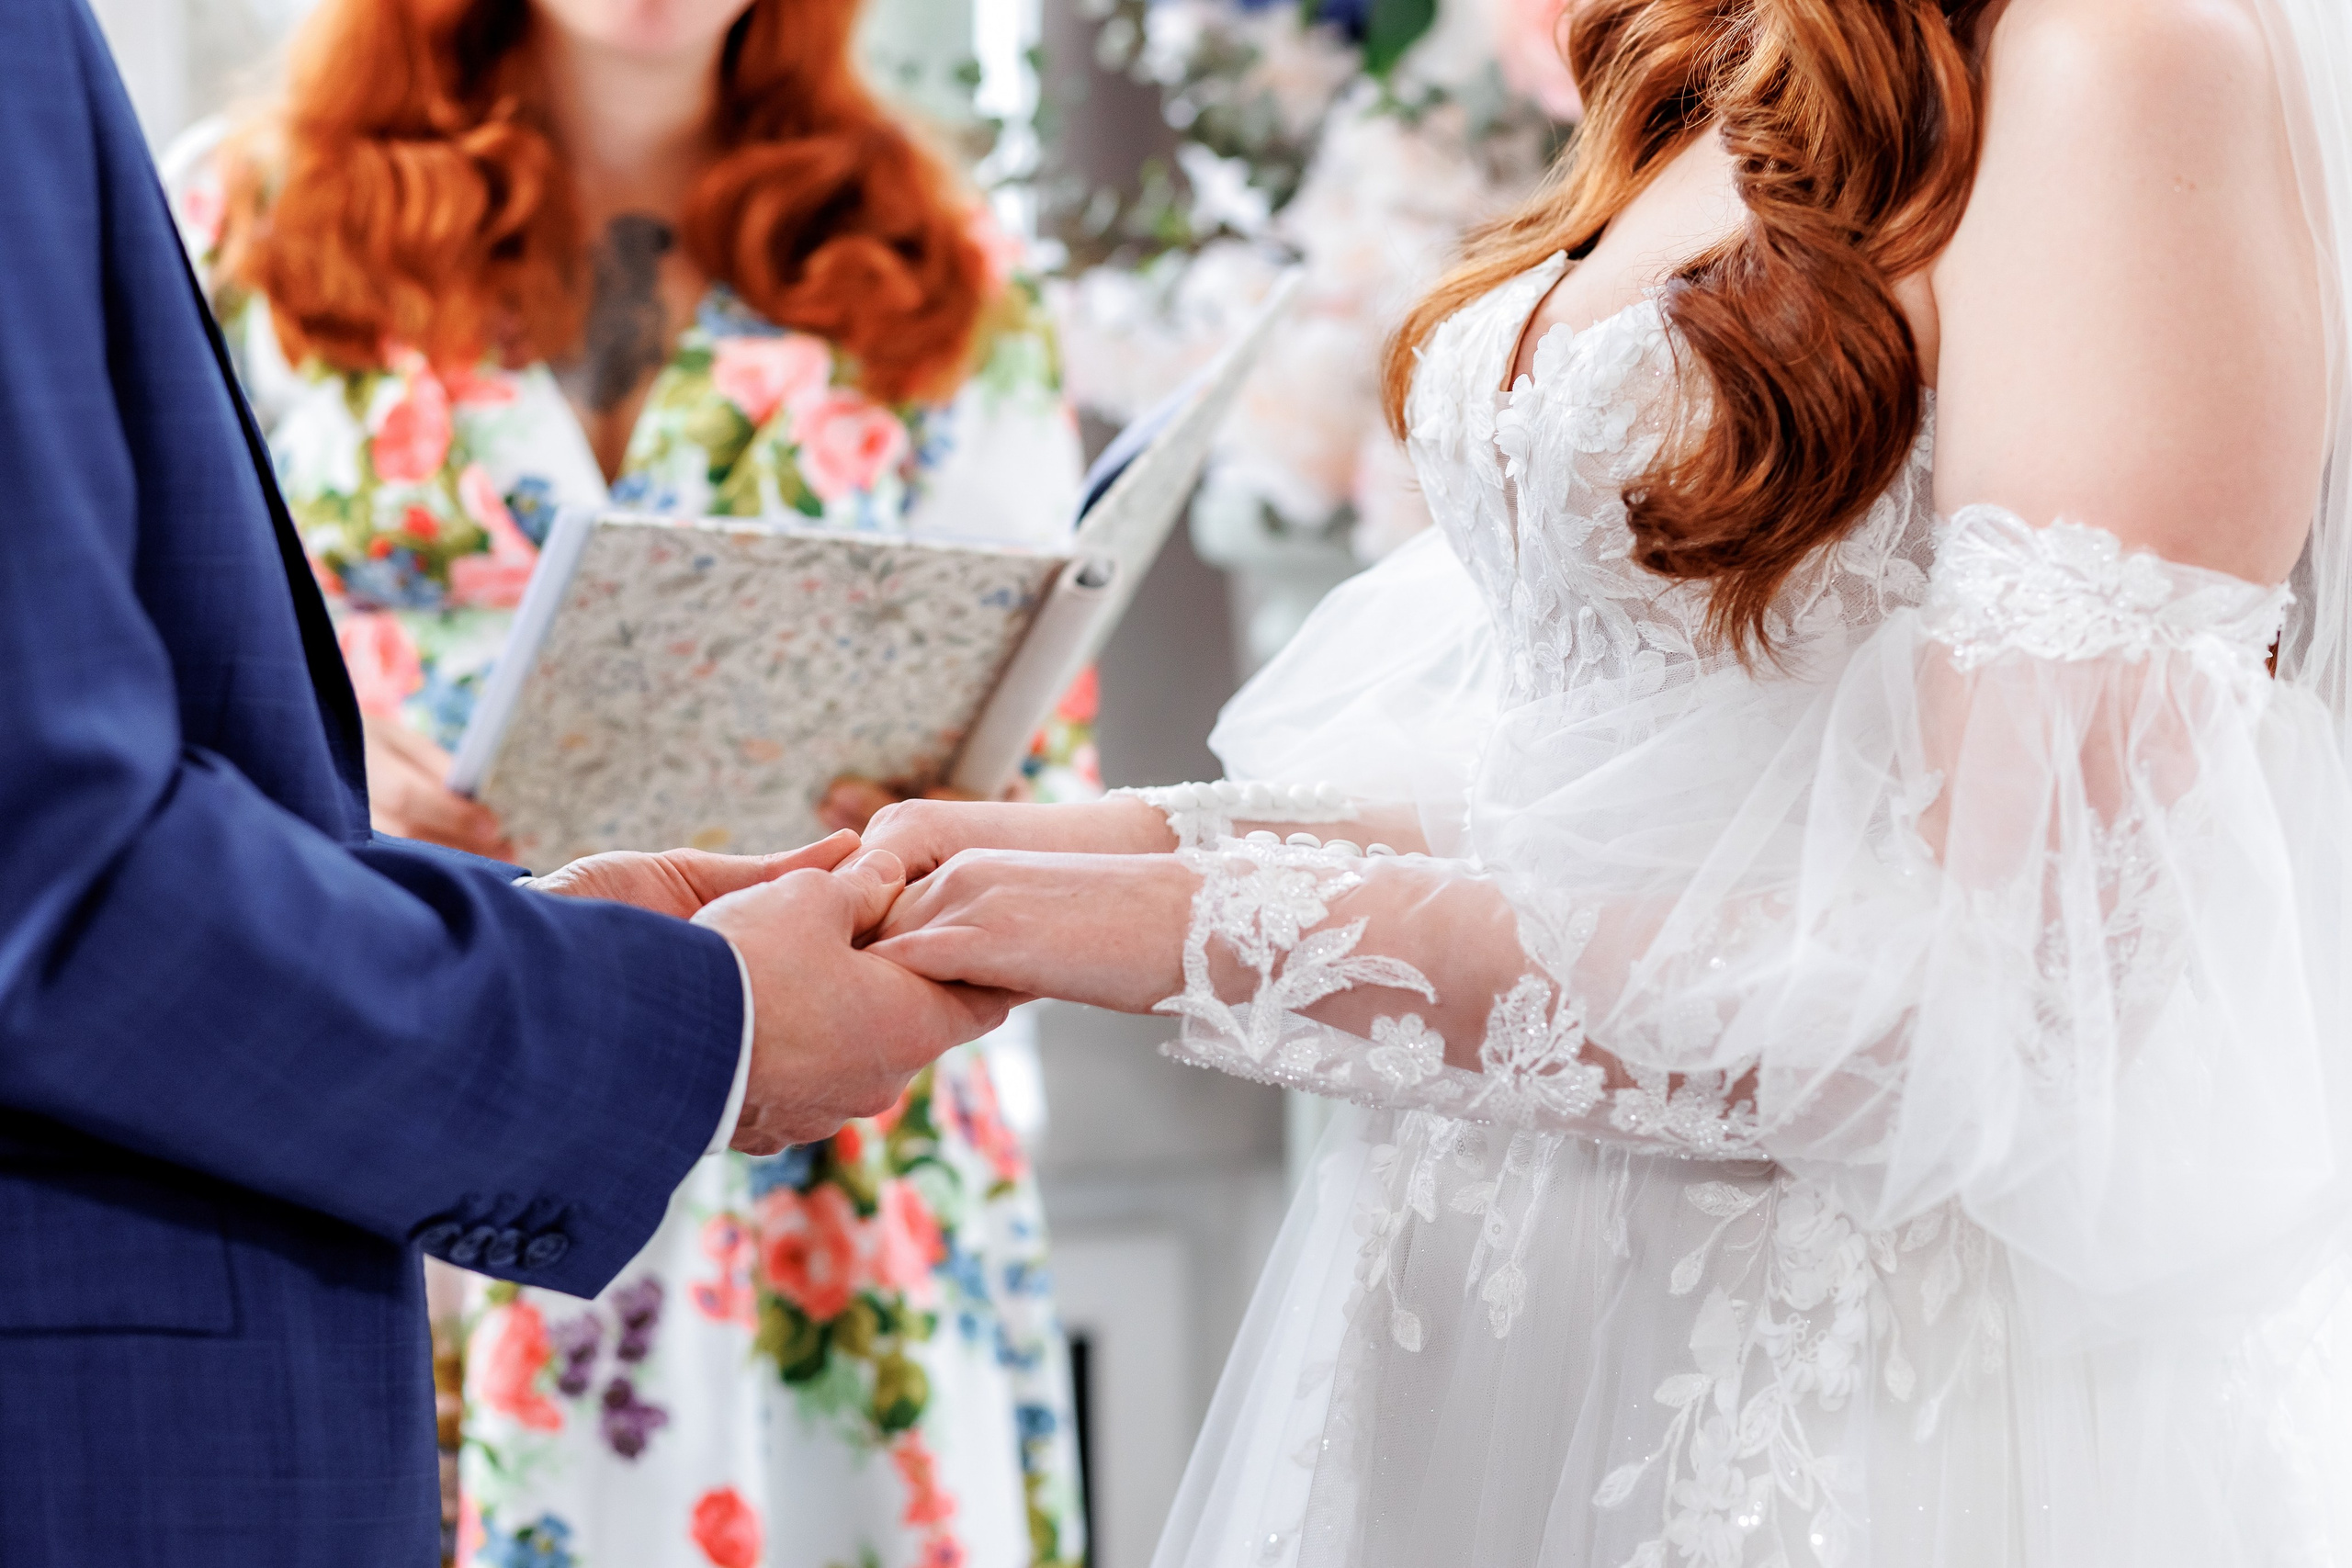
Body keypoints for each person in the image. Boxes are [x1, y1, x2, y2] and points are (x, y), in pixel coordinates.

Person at [851, 0, 2352, 1561]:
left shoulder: (2120, 59)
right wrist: (1102, 848)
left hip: (1833, 1395)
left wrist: (1199, 928)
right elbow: (1614, 787)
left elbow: (1988, 988)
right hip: (1477, 1300)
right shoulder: (1723, 49)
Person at [0, 1, 1013, 1564]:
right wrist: (352, 797)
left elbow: (1028, 731)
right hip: (372, 1072)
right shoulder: (251, 213)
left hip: (823, 1146)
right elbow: (106, 746)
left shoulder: (942, 263)